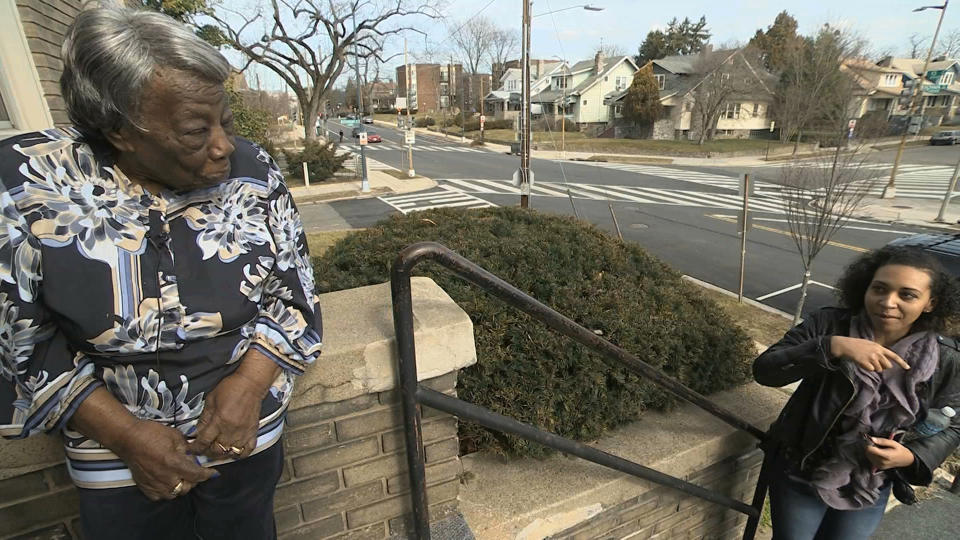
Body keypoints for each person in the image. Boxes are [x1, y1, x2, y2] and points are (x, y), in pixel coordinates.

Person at [0, 7, 321, 540]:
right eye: (196, 130)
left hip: (244, 429)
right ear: (119, 129)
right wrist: (127, 437)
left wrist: (248, 384)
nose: (223, 145)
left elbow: (293, 294)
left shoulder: (252, 168)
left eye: (227, 121)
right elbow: (23, 342)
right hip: (113, 450)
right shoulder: (23, 185)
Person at [754, 246, 960, 540]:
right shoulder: (829, 325)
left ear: (930, 303)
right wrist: (831, 347)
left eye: (907, 294)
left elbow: (953, 423)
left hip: (872, 482)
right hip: (802, 469)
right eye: (880, 289)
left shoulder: (945, 358)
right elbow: (765, 371)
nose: (888, 302)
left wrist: (912, 457)